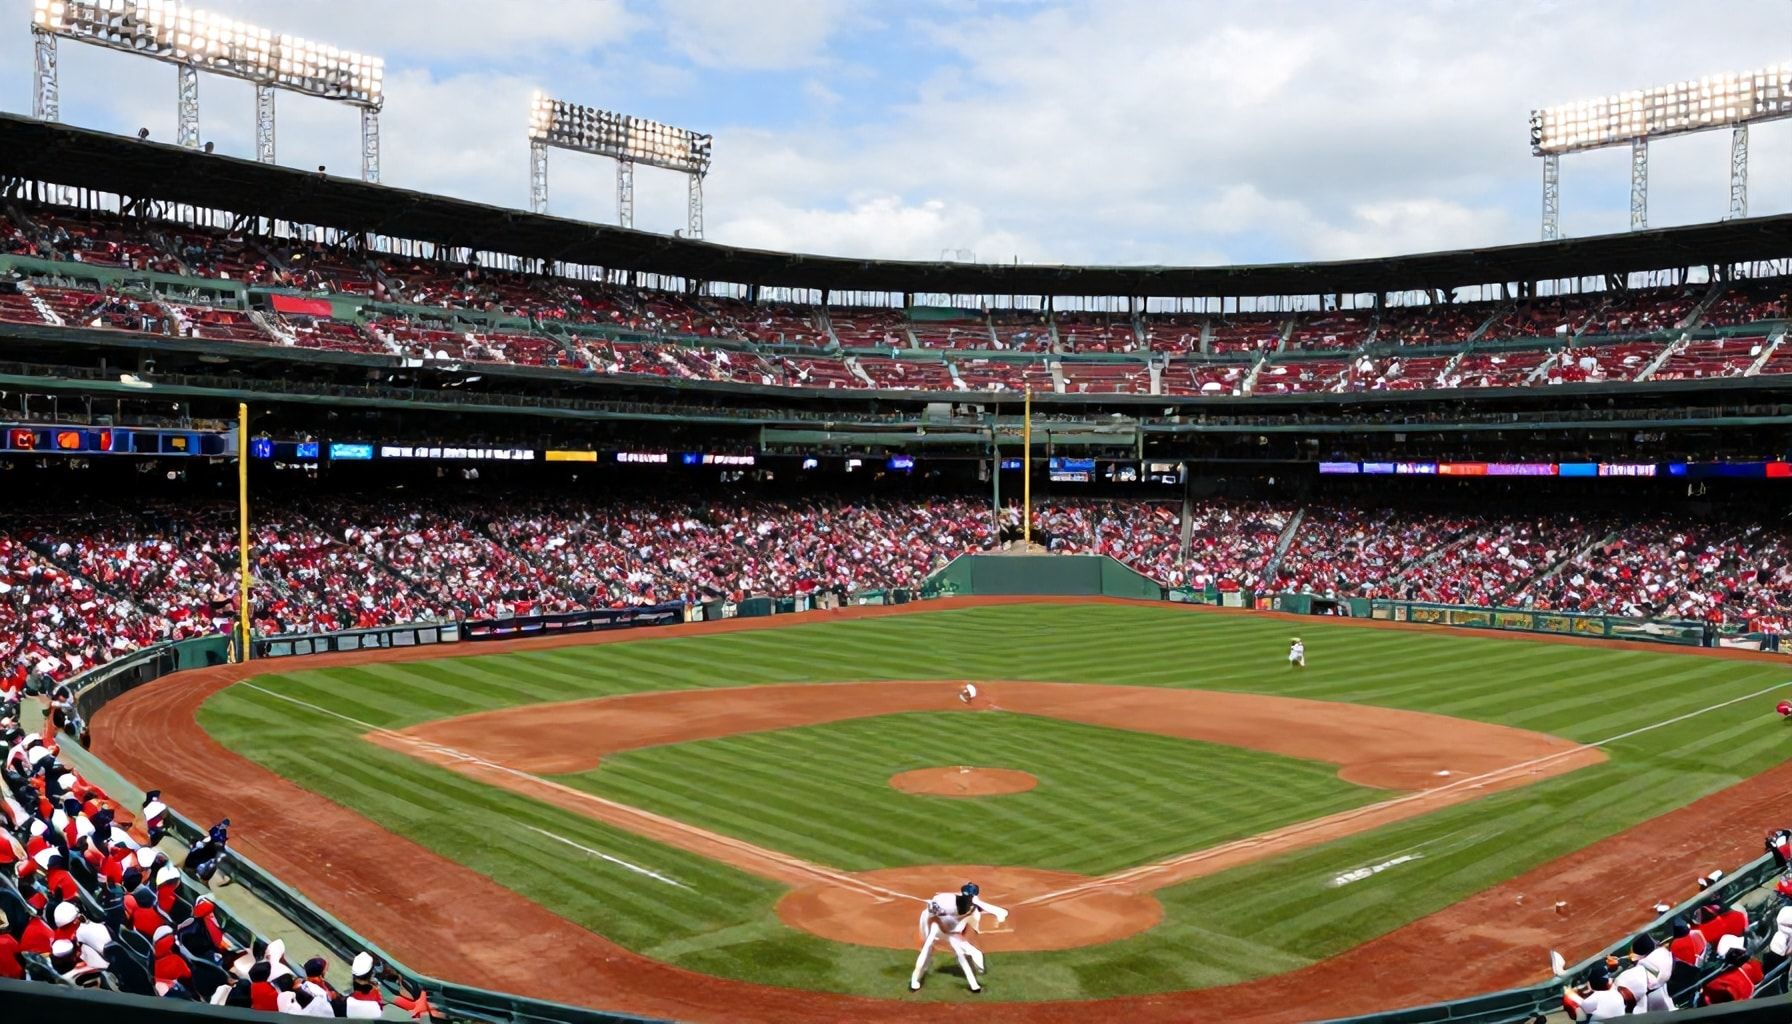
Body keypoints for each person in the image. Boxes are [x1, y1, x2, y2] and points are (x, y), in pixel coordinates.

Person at [909, 882, 1008, 994]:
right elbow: (931, 917)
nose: (968, 900)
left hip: (951, 929)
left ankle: (974, 984)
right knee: (928, 946)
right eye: (967, 897)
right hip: (934, 923)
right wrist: (943, 928)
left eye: (970, 898)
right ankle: (915, 979)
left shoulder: (974, 907)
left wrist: (999, 914)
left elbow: (1001, 912)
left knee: (960, 952)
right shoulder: (945, 902)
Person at [1562, 962, 1626, 1021]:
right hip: (1617, 1021)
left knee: (1579, 1012)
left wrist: (1569, 993)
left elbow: (1583, 1006)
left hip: (1598, 1020)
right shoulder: (1615, 992)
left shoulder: (1598, 995)